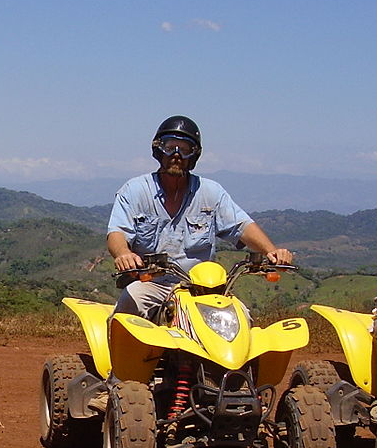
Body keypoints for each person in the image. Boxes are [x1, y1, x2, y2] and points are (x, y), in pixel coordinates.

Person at [107, 115, 293, 320]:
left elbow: (242, 226)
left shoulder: (210, 192)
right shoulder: (135, 190)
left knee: (240, 319)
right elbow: (117, 233)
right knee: (130, 305)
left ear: (194, 156)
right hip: (152, 283)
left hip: (202, 288)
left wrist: (272, 252)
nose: (176, 155)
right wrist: (123, 254)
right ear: (158, 149)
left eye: (185, 149)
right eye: (170, 147)